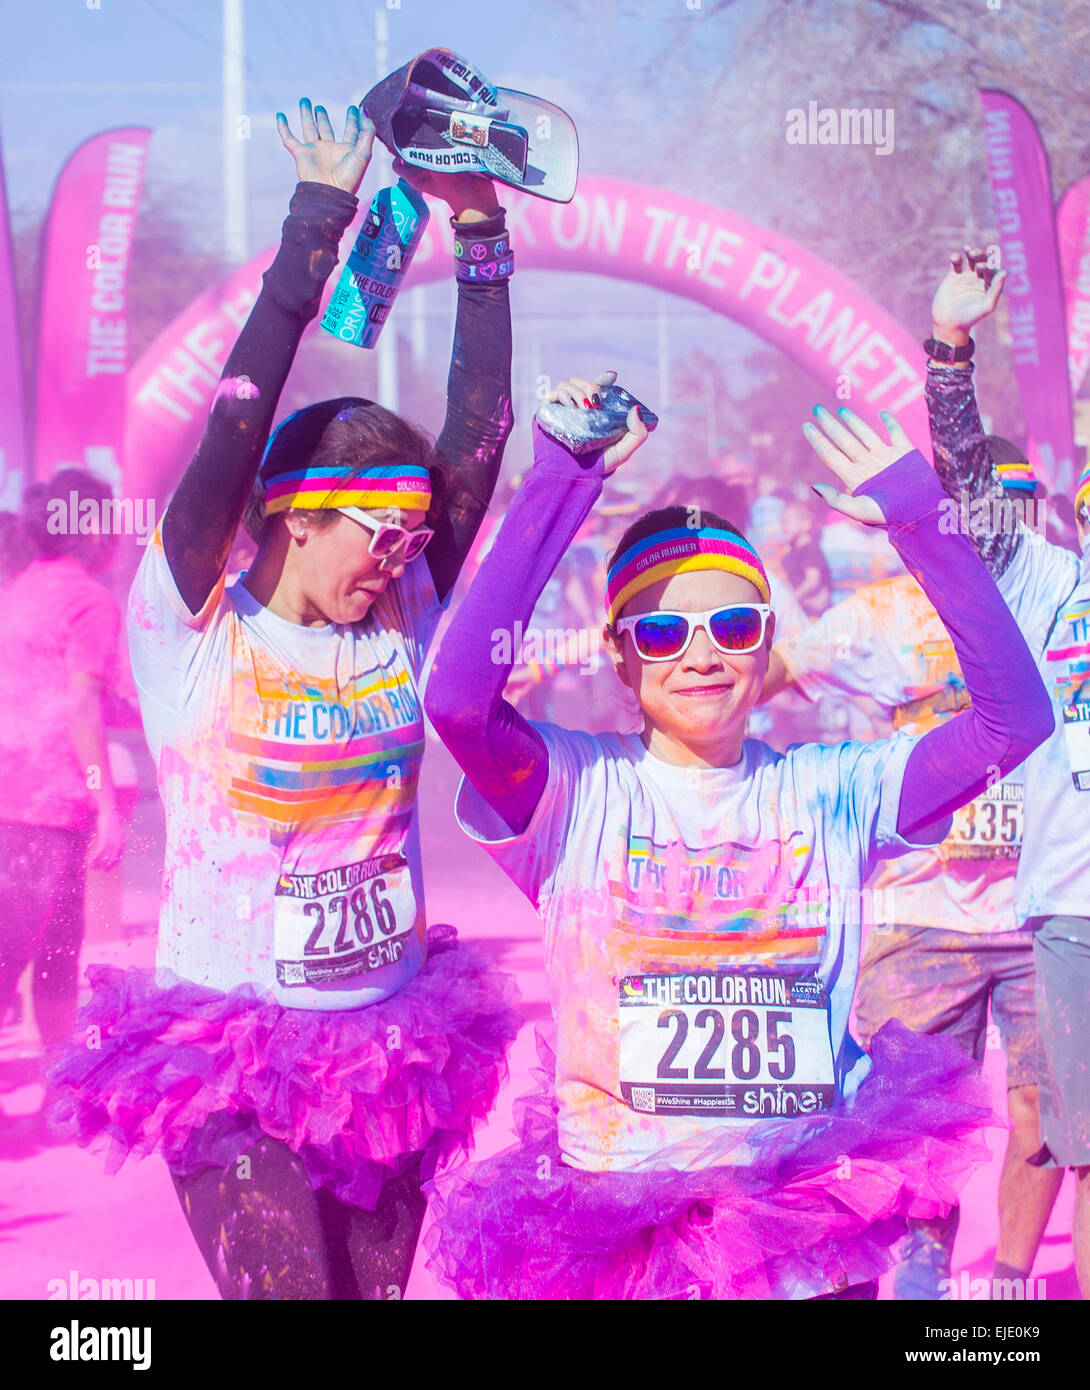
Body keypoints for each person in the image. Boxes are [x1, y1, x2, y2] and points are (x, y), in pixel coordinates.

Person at [420, 370, 1053, 1300]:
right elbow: (458, 701)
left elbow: (1013, 722)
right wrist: (561, 476)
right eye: (665, 630)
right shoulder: (574, 791)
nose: (703, 652)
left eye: (733, 624)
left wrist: (922, 518)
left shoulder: (835, 788)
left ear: (766, 643)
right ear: (621, 656)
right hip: (624, 1221)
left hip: (802, 1217)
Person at [46, 99, 519, 1300]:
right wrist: (318, 215)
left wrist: (479, 231)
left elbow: (479, 430)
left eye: (416, 535)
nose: (401, 555)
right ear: (294, 518)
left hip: (390, 1043)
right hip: (230, 1054)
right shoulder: (191, 627)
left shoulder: (400, 618)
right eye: (377, 531)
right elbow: (238, 418)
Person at [759, 449, 1062, 1299]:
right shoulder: (888, 615)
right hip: (919, 915)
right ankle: (923, 1269)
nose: (1002, 525)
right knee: (913, 1118)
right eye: (983, 508)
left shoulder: (1063, 606)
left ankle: (1007, 1285)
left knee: (1045, 1110)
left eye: (1020, 506)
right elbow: (775, 673)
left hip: (1044, 911)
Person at [922, 244, 1090, 1298]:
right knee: (1081, 1142)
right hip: (1077, 911)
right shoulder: (1044, 581)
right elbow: (970, 489)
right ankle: (1006, 1300)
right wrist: (949, 348)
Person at [0, 471, 124, 1065]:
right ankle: (57, 1081)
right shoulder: (88, 600)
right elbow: (81, 706)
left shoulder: (22, 588)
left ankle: (59, 1082)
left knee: (54, 951)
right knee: (23, 959)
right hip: (43, 812)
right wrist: (105, 805)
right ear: (93, 527)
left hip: (17, 802)